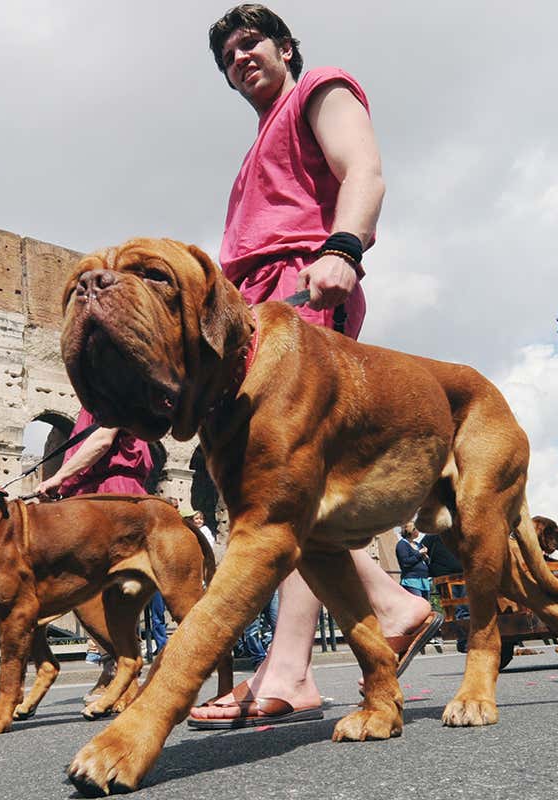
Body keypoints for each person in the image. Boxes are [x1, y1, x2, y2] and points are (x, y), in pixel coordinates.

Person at [189, 4, 439, 728]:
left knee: (283, 484)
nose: (240, 59)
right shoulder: (255, 143)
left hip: (306, 285)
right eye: (227, 56)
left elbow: (363, 168)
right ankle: (378, 614)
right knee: (274, 487)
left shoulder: (319, 88)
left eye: (250, 43)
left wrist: (344, 248)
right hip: (253, 306)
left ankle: (295, 665)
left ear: (286, 47)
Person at [35, 407, 155, 700]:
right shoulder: (97, 398)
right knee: (108, 594)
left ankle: (118, 670)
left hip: (109, 493)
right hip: (99, 495)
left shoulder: (109, 392)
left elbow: (102, 441)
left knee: (87, 589)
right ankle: (115, 668)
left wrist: (58, 478)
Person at [396, 523, 431, 599]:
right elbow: (405, 563)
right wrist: (419, 553)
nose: (419, 531)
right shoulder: (402, 545)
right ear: (411, 531)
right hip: (412, 581)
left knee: (425, 606)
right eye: (417, 529)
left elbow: (424, 561)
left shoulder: (418, 545)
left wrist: (426, 558)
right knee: (418, 605)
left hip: (424, 581)